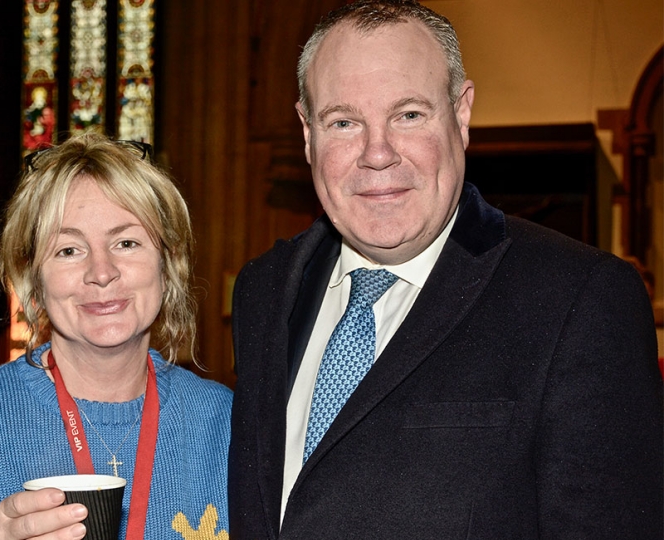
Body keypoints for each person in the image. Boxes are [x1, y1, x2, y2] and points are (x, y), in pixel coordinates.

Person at [228, 1, 663, 538]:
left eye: (408, 114)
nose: (377, 153)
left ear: (461, 113)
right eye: (343, 122)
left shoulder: (580, 300)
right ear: (307, 131)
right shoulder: (265, 290)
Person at [0, 133, 232, 539]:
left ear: (168, 266)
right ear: (33, 280)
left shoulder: (226, 424)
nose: (101, 271)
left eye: (126, 242)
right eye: (68, 250)